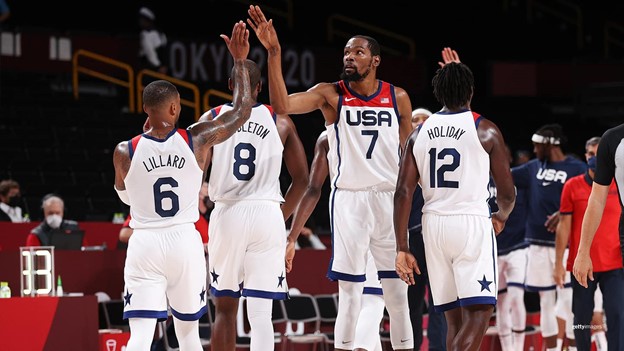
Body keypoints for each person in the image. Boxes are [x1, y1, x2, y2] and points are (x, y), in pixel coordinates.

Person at [248, 6, 426, 349]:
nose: (349, 57)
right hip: (349, 200)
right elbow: (282, 106)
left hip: (389, 198)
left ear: (375, 60)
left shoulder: (398, 97)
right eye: (346, 51)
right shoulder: (331, 94)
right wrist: (274, 53)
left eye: (358, 52)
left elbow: (410, 156)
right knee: (351, 294)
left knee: (397, 294)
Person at [111, 21, 253, 351]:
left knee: (141, 336)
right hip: (184, 243)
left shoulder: (123, 151)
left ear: (145, 109)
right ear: (175, 108)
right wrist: (240, 62)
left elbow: (126, 196)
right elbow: (243, 109)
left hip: (144, 241)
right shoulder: (198, 139)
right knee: (188, 335)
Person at [394, 62, 516, 351]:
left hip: (432, 226)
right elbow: (508, 193)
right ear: (471, 91)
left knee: (454, 320)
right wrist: (501, 216)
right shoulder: (485, 129)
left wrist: (402, 246)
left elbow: (403, 192)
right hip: (470, 222)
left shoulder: (419, 133)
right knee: (480, 313)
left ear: (438, 93)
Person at [200, 58, 309, 351]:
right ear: (260, 87)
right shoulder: (281, 121)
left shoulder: (211, 117)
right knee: (261, 315)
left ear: (230, 85)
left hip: (228, 213)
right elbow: (303, 180)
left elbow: (195, 172)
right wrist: (280, 215)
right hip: (267, 215)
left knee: (224, 310)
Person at [287, 130, 385, 351]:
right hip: (381, 211)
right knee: (374, 299)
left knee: (351, 299)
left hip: (346, 213)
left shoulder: (327, 136)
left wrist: (292, 236)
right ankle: (359, 347)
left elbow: (313, 190)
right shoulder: (387, 123)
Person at [511, 123, 587, 351]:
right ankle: (552, 348)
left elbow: (591, 200)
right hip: (536, 242)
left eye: (537, 146)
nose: (534, 151)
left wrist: (565, 213)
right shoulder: (533, 167)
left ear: (550, 144)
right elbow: (503, 176)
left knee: (569, 300)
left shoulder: (577, 168)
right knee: (545, 300)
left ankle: (573, 347)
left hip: (567, 244)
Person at [555, 135, 621, 351]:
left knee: (617, 316)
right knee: (582, 318)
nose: (594, 158)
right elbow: (563, 227)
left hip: (615, 263)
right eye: (591, 154)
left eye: (598, 153)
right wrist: (558, 263)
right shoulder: (572, 186)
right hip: (583, 263)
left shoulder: (619, 183)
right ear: (586, 156)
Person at [573, 123, 624, 350]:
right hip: (605, 254)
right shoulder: (613, 139)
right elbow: (596, 199)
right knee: (585, 318)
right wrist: (582, 252)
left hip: (612, 260)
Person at [406, 107, 447, 351]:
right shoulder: (398, 154)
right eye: (415, 119)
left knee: (439, 302)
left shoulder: (444, 152)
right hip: (410, 239)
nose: (420, 123)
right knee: (410, 302)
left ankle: (437, 348)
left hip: (437, 236)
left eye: (426, 119)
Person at [487, 146, 529, 351]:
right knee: (501, 302)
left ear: (509, 157)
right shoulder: (480, 180)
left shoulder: (518, 179)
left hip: (518, 246)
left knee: (515, 297)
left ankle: (518, 347)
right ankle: (508, 348)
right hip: (493, 248)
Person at [138, 6, 168, 75]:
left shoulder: (145, 34)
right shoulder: (161, 33)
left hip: (150, 67)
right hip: (160, 67)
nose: (140, 21)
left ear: (148, 20)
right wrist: (164, 65)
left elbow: (150, 52)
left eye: (142, 19)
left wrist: (159, 66)